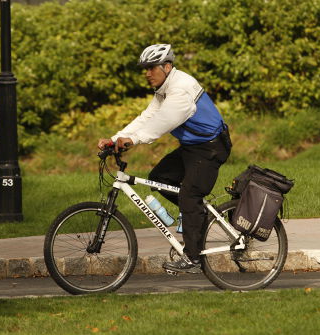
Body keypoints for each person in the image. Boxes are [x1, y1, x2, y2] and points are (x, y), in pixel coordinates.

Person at [97, 44, 231, 273]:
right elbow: (148, 116)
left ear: (167, 67)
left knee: (190, 197)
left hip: (210, 148)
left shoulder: (180, 90)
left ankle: (192, 258)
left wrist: (133, 140)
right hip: (192, 147)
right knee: (159, 177)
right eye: (145, 69)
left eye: (151, 68)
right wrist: (115, 138)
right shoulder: (165, 88)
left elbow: (162, 123)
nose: (147, 73)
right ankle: (197, 216)